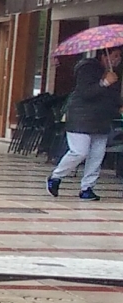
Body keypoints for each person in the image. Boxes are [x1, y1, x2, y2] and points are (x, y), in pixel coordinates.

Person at [50, 47, 123, 199]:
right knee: (79, 152)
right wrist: (104, 83)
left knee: (97, 155)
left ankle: (87, 187)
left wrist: (118, 106)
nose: (118, 59)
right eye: (115, 55)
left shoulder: (114, 74)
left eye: (120, 56)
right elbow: (86, 93)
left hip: (101, 120)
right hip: (81, 117)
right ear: (105, 55)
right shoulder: (88, 68)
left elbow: (111, 98)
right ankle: (56, 176)